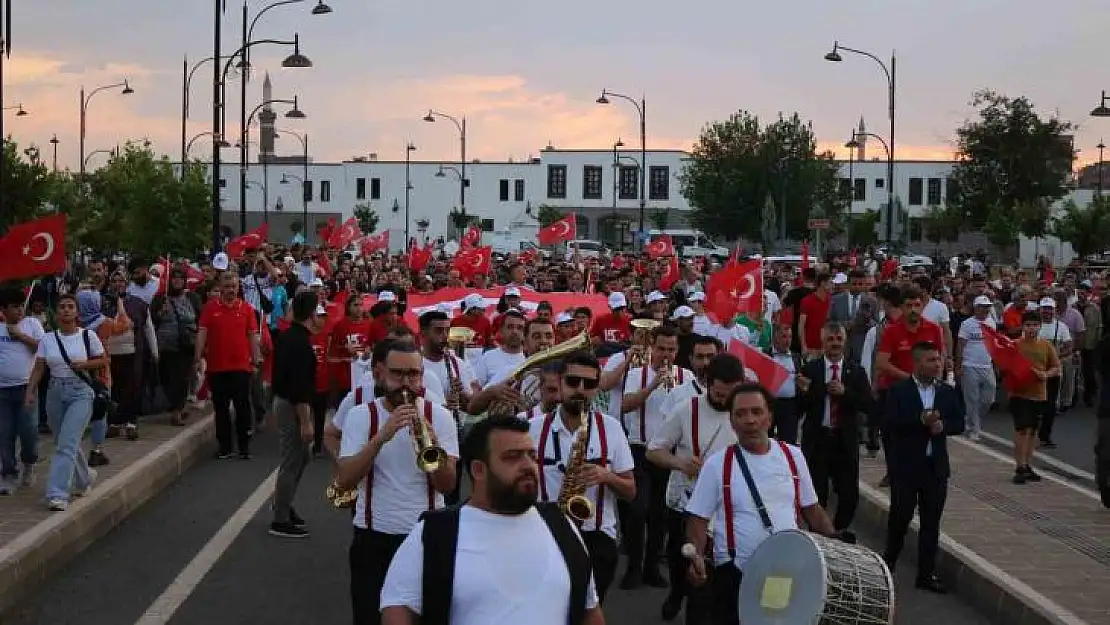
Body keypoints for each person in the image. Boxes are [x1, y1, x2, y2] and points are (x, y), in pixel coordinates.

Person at [380, 416, 605, 625]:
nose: (528, 466)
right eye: (512, 457)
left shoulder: (560, 525)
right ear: (478, 469)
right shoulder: (436, 533)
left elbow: (590, 611)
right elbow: (398, 610)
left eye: (531, 455)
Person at [684, 383, 835, 625]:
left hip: (784, 572)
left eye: (756, 412)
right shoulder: (717, 464)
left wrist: (835, 542)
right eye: (740, 414)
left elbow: (812, 509)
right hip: (735, 574)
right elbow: (698, 519)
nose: (749, 420)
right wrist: (697, 556)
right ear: (732, 422)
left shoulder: (793, 456)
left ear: (769, 417)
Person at [336, 341, 459, 625]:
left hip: (426, 534)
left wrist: (434, 444)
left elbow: (448, 485)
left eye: (413, 375)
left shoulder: (439, 416)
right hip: (373, 536)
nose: (405, 383)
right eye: (397, 374)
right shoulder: (360, 416)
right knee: (370, 617)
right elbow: (344, 480)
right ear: (380, 374)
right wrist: (382, 436)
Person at [527, 351, 636, 602]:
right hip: (544, 536)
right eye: (573, 382)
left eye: (589, 384)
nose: (581, 389)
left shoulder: (611, 428)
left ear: (597, 388)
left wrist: (607, 477)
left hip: (597, 538)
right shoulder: (532, 430)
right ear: (560, 382)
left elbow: (630, 492)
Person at [647, 353, 745, 623]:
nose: (723, 400)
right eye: (718, 393)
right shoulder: (687, 409)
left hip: (725, 511)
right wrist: (681, 463)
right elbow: (654, 451)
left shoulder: (746, 415)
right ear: (708, 383)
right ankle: (677, 592)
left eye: (730, 394)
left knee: (707, 584)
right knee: (681, 566)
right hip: (684, 504)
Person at [882, 341, 965, 594]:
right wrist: (920, 421)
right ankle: (887, 567)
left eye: (938, 360)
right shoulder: (899, 392)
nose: (937, 364)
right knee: (900, 518)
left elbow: (959, 421)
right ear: (917, 363)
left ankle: (926, 573)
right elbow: (889, 423)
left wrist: (944, 427)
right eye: (931, 360)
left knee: (931, 523)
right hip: (907, 468)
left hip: (935, 468)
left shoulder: (947, 392)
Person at [620, 323, 693, 589]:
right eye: (661, 349)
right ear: (652, 348)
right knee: (638, 511)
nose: (666, 354)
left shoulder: (686, 376)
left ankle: (652, 568)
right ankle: (633, 568)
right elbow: (626, 405)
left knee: (659, 514)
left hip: (669, 453)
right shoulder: (637, 373)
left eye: (671, 350)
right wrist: (653, 385)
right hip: (640, 449)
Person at [25, 294, 111, 511]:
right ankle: (84, 478)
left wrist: (85, 364)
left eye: (70, 307)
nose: (65, 310)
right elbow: (39, 368)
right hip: (55, 392)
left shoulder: (87, 336)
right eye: (61, 307)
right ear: (56, 312)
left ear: (76, 312)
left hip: (80, 392)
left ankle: (57, 493)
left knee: (66, 444)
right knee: (63, 441)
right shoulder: (47, 339)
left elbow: (104, 359)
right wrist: (30, 391)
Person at [796, 322, 872, 533]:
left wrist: (845, 392)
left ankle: (837, 530)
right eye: (830, 339)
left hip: (844, 440)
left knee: (849, 495)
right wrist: (804, 391)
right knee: (816, 494)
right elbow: (800, 408)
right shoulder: (811, 369)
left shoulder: (856, 371)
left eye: (838, 339)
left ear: (844, 341)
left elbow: (868, 404)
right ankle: (818, 534)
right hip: (818, 439)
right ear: (823, 342)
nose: (835, 343)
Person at [195, 272, 262, 460]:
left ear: (238, 287)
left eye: (233, 286)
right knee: (221, 408)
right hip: (217, 367)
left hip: (241, 366)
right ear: (220, 288)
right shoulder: (210, 308)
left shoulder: (247, 309)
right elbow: (202, 332)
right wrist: (197, 356)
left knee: (242, 406)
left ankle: (243, 446)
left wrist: (256, 358)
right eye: (227, 287)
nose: (230, 290)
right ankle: (225, 446)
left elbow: (252, 335)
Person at [269, 291, 320, 538]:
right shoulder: (298, 342)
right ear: (311, 314)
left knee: (302, 458)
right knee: (293, 460)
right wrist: (306, 422)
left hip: (289, 402)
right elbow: (299, 387)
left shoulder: (291, 337)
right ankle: (280, 518)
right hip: (292, 405)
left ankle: (284, 503)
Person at [0, 285, 45, 495]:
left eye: (21, 306)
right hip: (3, 390)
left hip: (27, 388)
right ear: (3, 309)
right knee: (5, 434)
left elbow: (42, 349)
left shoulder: (32, 324)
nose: (19, 311)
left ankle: (29, 463)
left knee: (29, 431)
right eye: (14, 307)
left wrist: (20, 336)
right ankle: (8, 473)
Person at [1010, 312, 1059, 484]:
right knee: (1022, 429)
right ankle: (1019, 466)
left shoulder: (1046, 345)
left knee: (1032, 431)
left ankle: (1028, 465)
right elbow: (1005, 365)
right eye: (1028, 325)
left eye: (1034, 325)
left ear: (1040, 326)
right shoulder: (1014, 345)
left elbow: (1055, 367)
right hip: (1019, 393)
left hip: (1039, 394)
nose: (1031, 328)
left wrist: (1045, 375)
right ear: (1022, 327)